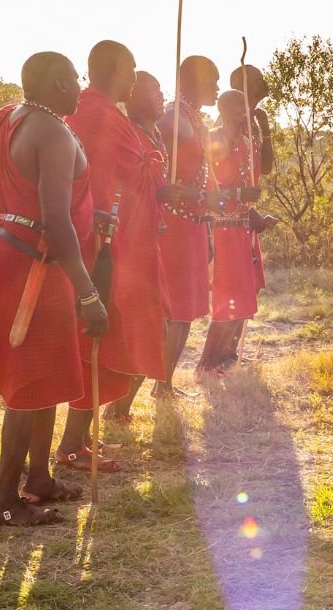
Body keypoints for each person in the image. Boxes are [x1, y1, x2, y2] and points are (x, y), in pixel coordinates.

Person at [0, 52, 108, 526]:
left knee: (42, 372)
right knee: (27, 379)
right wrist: (88, 293)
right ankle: (3, 500)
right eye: (76, 80)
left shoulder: (12, 118)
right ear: (61, 83)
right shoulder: (52, 130)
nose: (81, 87)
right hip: (32, 260)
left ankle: (38, 479)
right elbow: (57, 223)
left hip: (8, 249)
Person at [56, 42, 167, 468]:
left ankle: (81, 439)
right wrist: (151, 165)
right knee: (96, 343)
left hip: (115, 239)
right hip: (103, 246)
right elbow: (118, 178)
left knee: (106, 339)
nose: (135, 78)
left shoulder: (100, 112)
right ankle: (71, 446)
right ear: (117, 68)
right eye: (132, 69)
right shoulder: (96, 114)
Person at [102, 70, 174, 427]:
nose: (162, 95)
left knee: (155, 327)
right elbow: (128, 185)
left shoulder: (154, 135)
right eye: (154, 89)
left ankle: (119, 407)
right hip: (127, 242)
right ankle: (116, 407)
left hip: (149, 240)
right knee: (140, 328)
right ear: (135, 96)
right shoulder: (127, 133)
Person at [200, 88, 276, 372]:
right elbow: (209, 189)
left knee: (243, 295)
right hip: (222, 227)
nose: (245, 114)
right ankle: (207, 364)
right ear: (224, 109)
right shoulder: (213, 137)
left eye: (245, 110)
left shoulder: (245, 141)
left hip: (243, 227)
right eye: (238, 109)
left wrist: (253, 212)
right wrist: (240, 193)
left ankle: (226, 357)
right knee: (226, 298)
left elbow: (262, 170)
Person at [155, 56, 217, 394]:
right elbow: (158, 160)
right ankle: (160, 383)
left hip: (194, 223)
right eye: (213, 81)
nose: (218, 89)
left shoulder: (192, 118)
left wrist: (206, 223)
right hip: (176, 223)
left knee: (187, 311)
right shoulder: (172, 117)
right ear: (192, 82)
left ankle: (164, 383)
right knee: (175, 309)